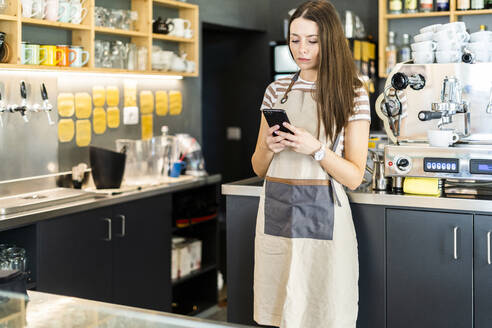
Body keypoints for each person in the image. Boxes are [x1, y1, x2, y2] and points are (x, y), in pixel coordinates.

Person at [250, 1, 370, 327]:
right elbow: (259, 167)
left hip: (324, 220)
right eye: (294, 39)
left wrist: (315, 148)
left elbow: (355, 176)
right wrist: (271, 147)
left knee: (323, 311)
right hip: (277, 213)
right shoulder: (276, 91)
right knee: (278, 309)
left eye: (313, 40)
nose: (302, 49)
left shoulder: (353, 92)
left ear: (329, 40)